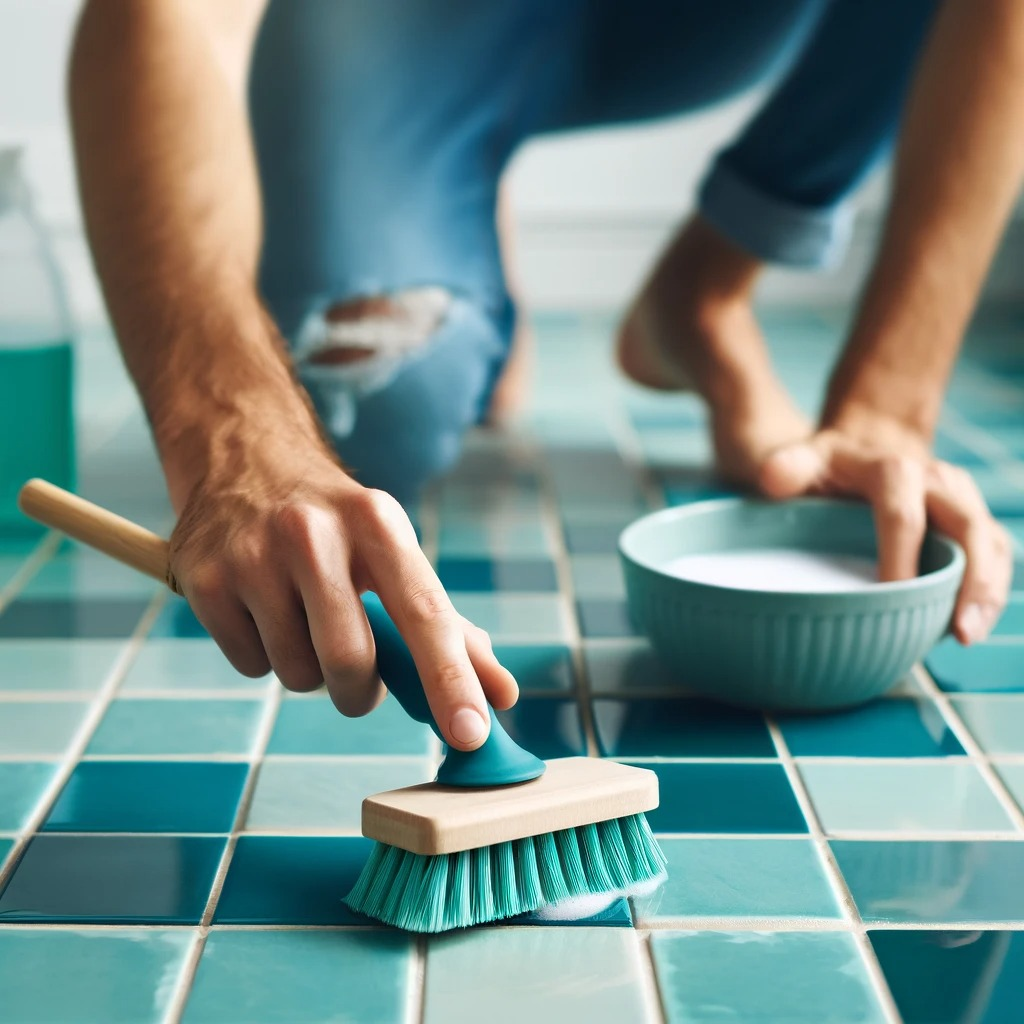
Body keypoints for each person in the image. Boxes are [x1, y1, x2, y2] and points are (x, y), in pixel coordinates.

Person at [69, 0, 1021, 753]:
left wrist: (886, 414)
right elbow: (166, 11)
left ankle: (703, 288)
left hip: (711, 24)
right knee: (370, 407)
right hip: (414, 27)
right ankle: (456, 201)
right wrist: (234, 436)